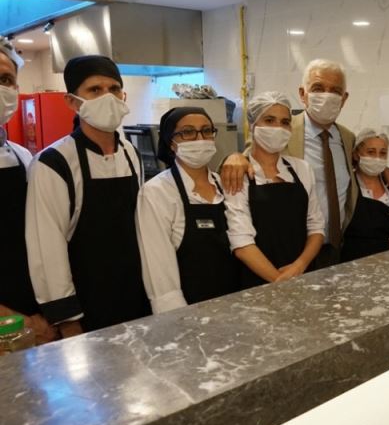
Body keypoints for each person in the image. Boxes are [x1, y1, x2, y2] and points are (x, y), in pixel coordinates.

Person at [220, 59, 389, 268]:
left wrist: (385, 170)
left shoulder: (347, 138)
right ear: (302, 93)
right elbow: (252, 153)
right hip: (294, 250)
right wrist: (233, 156)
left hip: (339, 247)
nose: (327, 96)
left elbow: (365, 161)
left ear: (344, 99)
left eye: (335, 91)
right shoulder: (283, 130)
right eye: (318, 88)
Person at [26, 55, 150, 336]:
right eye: (95, 90)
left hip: (136, 294)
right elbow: (47, 246)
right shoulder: (54, 162)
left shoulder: (131, 153)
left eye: (114, 89)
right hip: (86, 305)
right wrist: (68, 319)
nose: (107, 97)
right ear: (72, 101)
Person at [136, 107, 240, 313]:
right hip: (190, 313)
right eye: (188, 132)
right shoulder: (157, 192)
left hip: (234, 303)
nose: (200, 139)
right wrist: (180, 321)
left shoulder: (225, 184)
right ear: (171, 142)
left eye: (207, 131)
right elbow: (159, 273)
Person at [224, 92, 324, 286]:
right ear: (252, 125)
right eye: (269, 120)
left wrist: (299, 266)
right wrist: (281, 282)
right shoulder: (237, 173)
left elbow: (316, 227)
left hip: (303, 275)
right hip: (257, 281)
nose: (278, 128)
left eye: (285, 122)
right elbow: (241, 243)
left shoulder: (302, 169)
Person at [0, 37, 57, 343]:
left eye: (6, 80)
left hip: (33, 317)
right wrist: (12, 320)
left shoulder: (23, 156)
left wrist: (43, 315)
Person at [340, 129, 389, 262]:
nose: (377, 158)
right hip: (351, 261)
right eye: (371, 152)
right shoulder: (347, 185)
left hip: (384, 261)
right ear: (356, 154)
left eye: (382, 153)